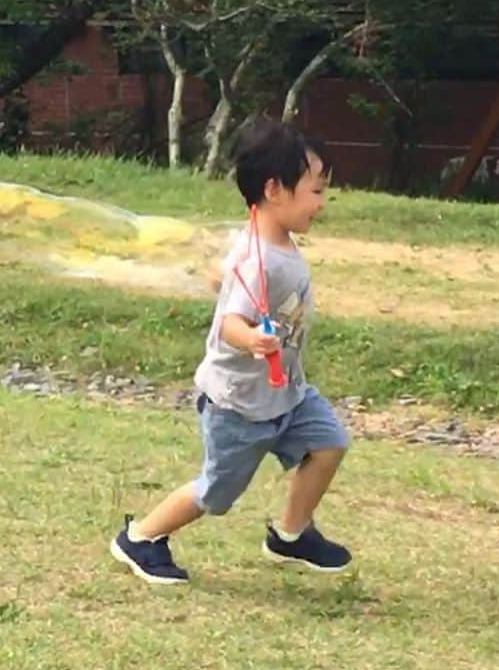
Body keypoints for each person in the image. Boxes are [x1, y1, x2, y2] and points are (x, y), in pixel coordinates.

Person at [110, 119, 351, 584]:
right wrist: (253, 340)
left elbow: (227, 280)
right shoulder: (257, 259)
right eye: (316, 191)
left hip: (287, 394)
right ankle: (140, 538)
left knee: (328, 444)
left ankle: (291, 533)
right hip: (239, 405)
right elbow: (230, 324)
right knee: (215, 494)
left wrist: (222, 282)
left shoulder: (267, 244)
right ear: (275, 190)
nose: (322, 204)